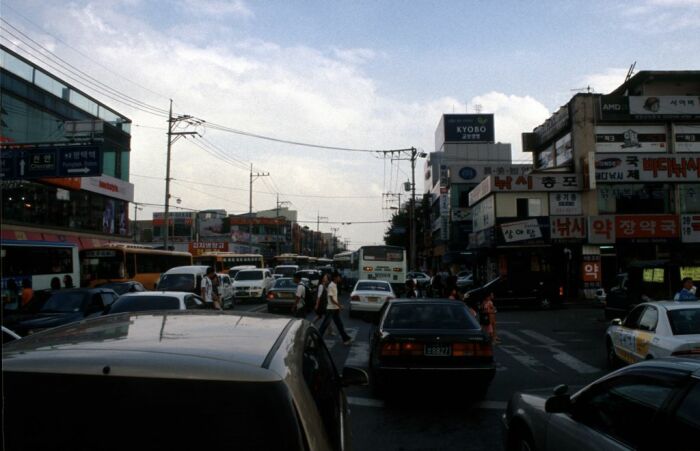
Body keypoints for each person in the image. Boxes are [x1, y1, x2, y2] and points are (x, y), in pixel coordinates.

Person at [318, 272, 352, 345]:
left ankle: (345, 338)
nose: (340, 278)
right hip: (330, 309)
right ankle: (317, 340)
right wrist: (339, 305)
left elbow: (335, 298)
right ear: (335, 278)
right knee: (324, 325)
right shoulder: (331, 286)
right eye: (339, 277)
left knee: (339, 325)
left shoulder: (334, 285)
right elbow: (331, 299)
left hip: (334, 309)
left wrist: (338, 306)